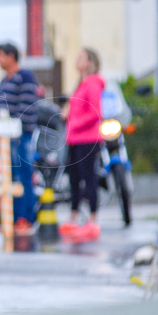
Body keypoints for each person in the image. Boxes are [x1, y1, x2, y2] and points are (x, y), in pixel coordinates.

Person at [0, 42, 41, 231]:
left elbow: (27, 106)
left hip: (20, 136)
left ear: (11, 56)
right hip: (5, 137)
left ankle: (26, 218)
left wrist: (16, 129)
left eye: (1, 56)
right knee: (10, 177)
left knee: (23, 175)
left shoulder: (26, 76)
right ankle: (12, 218)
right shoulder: (4, 80)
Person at [62, 48, 105, 242]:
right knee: (74, 178)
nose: (76, 60)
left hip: (87, 138)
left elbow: (95, 112)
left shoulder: (93, 83)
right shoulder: (80, 84)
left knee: (89, 178)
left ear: (90, 62)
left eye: (81, 57)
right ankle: (74, 217)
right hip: (74, 138)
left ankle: (93, 220)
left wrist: (74, 122)